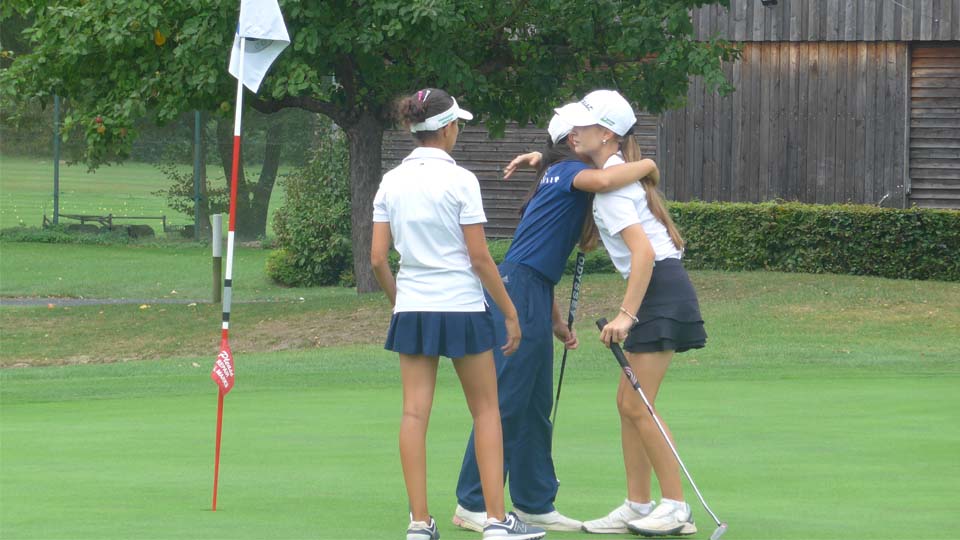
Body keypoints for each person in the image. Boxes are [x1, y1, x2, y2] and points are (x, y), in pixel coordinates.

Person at [453, 111, 663, 533]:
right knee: (508, 397)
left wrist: (553, 321)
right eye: (584, 133)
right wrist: (649, 164)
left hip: (531, 287)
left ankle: (533, 500)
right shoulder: (570, 171)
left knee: (533, 402)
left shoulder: (554, 172)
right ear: (570, 141)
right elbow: (605, 180)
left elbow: (538, 262)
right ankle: (473, 502)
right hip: (520, 290)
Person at [371, 88, 546, 540]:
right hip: (463, 307)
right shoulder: (462, 180)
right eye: (458, 125)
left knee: (413, 414)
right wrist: (510, 313)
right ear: (447, 128)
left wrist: (400, 301)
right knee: (486, 410)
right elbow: (480, 258)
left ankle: (419, 523)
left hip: (414, 308)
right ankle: (494, 520)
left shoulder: (391, 181)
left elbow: (376, 259)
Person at [553, 90, 707, 536]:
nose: (573, 132)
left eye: (582, 125)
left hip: (660, 292)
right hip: (660, 291)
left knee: (636, 404)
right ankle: (639, 504)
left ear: (606, 133)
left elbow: (642, 256)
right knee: (629, 404)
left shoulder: (614, 186)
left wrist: (625, 315)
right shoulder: (613, 176)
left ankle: (676, 506)